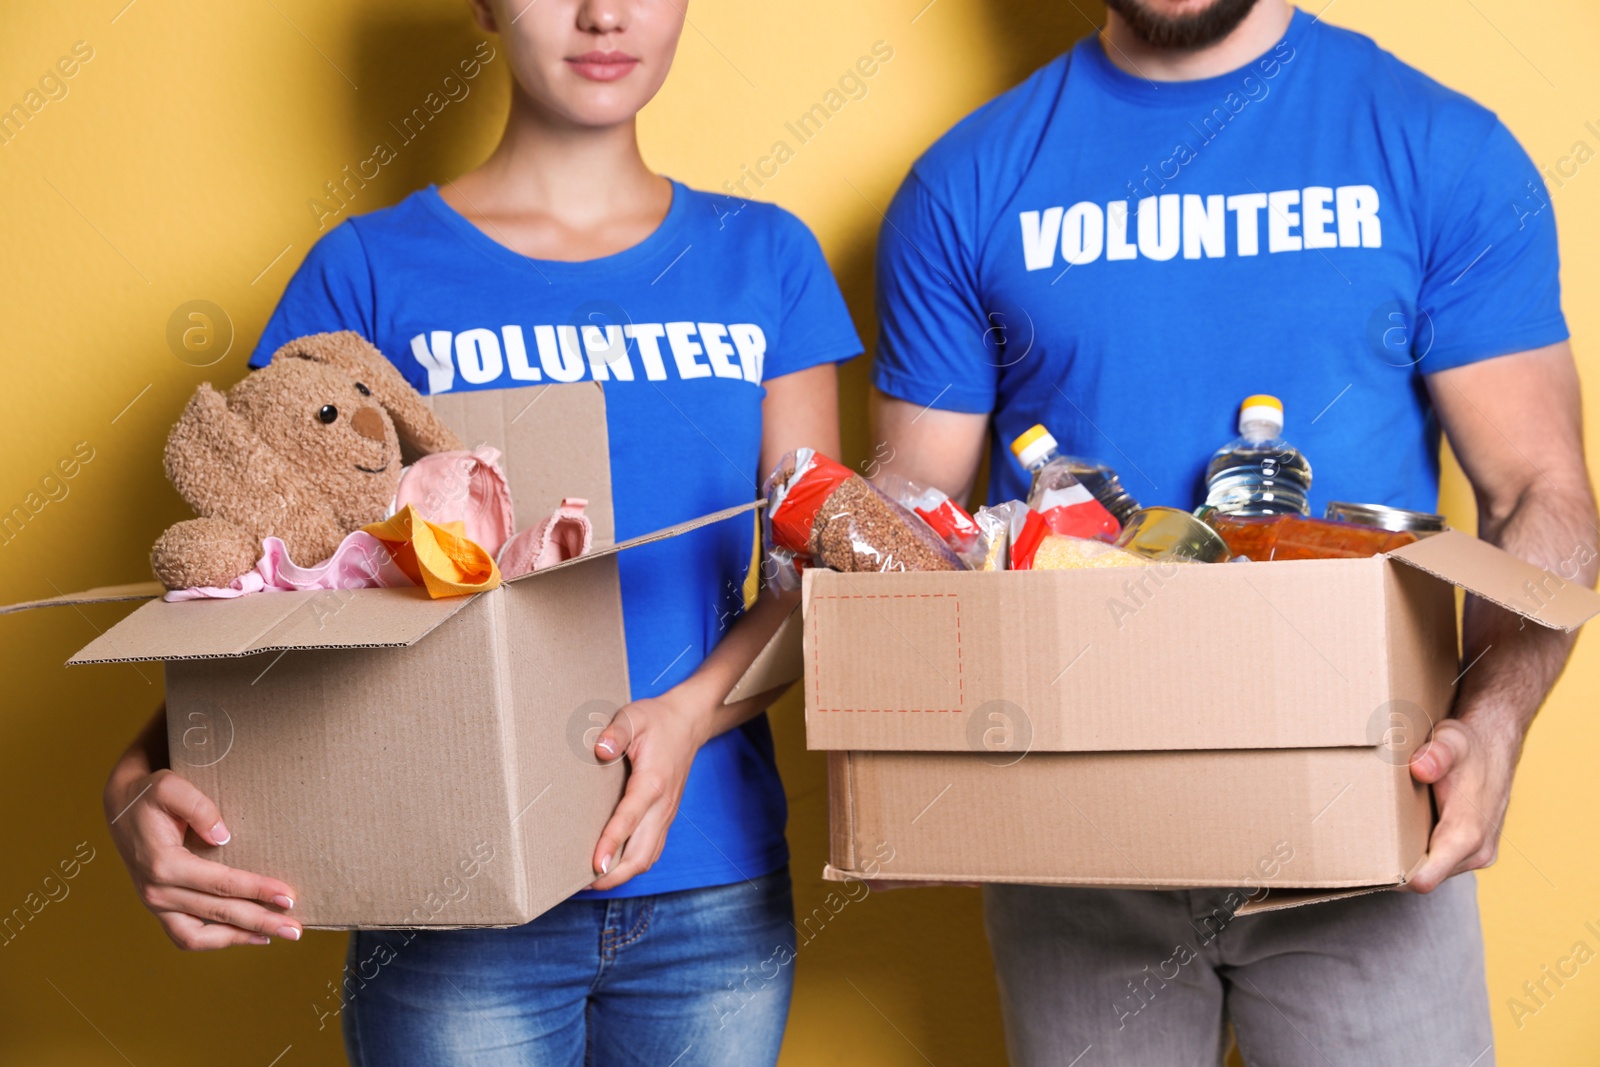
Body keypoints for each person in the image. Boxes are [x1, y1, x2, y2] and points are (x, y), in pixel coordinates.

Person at [101, 1, 861, 1063]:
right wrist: (138, 773)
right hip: (448, 891)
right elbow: (282, 576)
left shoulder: (767, 258)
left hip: (710, 894)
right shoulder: (365, 271)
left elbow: (813, 577)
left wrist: (685, 718)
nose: (604, 11)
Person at [869, 0, 1594, 1063]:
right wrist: (894, 748)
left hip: (1367, 822)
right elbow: (911, 520)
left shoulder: (1438, 146)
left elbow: (1544, 493)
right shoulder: (965, 183)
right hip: (1071, 831)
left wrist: (1491, 721)